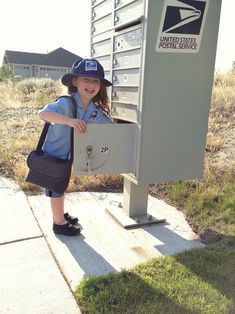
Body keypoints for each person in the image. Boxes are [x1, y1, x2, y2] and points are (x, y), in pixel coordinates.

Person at [39, 58, 113, 236]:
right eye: (86, 79)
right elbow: (43, 113)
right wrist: (69, 121)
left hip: (70, 155)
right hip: (55, 155)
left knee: (61, 186)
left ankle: (60, 214)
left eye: (95, 80)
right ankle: (59, 223)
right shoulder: (66, 103)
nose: (91, 84)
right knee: (56, 188)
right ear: (75, 82)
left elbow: (108, 125)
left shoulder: (93, 109)